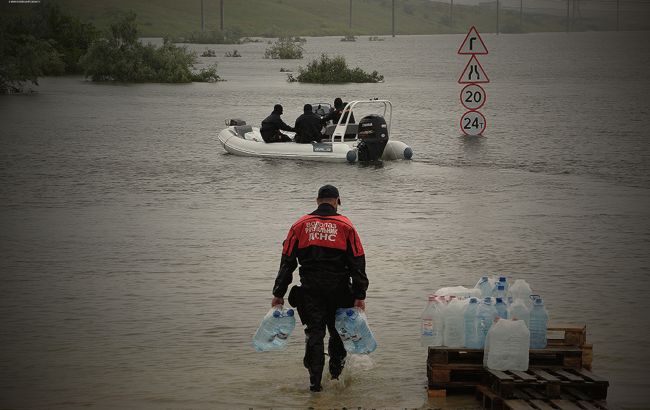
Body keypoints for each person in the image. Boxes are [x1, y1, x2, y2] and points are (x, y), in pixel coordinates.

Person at [270, 185, 368, 392]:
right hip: (339, 290)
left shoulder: (299, 225)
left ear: (317, 200)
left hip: (310, 291)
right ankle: (335, 378)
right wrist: (360, 295)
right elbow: (357, 262)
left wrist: (278, 293)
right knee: (337, 333)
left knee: (314, 334)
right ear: (337, 201)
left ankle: (315, 385)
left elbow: (287, 261)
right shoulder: (346, 226)